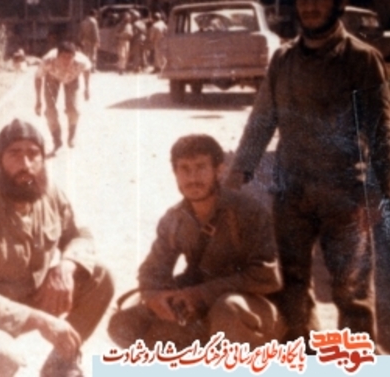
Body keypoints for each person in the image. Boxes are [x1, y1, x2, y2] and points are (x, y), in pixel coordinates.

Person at [225, 0, 390, 346]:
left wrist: (383, 190)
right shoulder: (283, 59)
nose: (310, 6)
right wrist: (239, 172)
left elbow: (381, 133)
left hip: (345, 196)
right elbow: (262, 121)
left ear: (340, 1)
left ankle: (355, 365)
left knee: (352, 293)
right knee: (292, 287)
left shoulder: (361, 59)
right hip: (292, 194)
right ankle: (306, 361)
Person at [0, 119, 114, 377]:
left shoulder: (51, 195)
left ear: (43, 159)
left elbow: (78, 236)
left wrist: (67, 265)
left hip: (30, 295)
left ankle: (60, 365)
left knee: (100, 277)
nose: (26, 164)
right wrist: (41, 321)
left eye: (33, 154)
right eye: (14, 154)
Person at [108, 135, 284, 349]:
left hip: (255, 309)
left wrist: (201, 294)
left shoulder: (247, 212)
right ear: (175, 174)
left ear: (219, 170)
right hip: (201, 307)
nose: (193, 178)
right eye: (184, 169)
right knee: (123, 323)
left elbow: (267, 276)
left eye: (201, 167)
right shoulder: (174, 219)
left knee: (227, 310)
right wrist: (155, 297)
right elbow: (151, 271)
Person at [34, 41, 92, 151]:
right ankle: (56, 138)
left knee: (73, 109)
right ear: (57, 56)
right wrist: (38, 100)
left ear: (74, 56)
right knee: (50, 110)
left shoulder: (81, 61)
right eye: (63, 57)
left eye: (70, 57)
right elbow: (38, 78)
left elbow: (87, 69)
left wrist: (87, 88)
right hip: (52, 78)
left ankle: (72, 135)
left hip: (72, 79)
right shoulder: (48, 61)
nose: (66, 60)